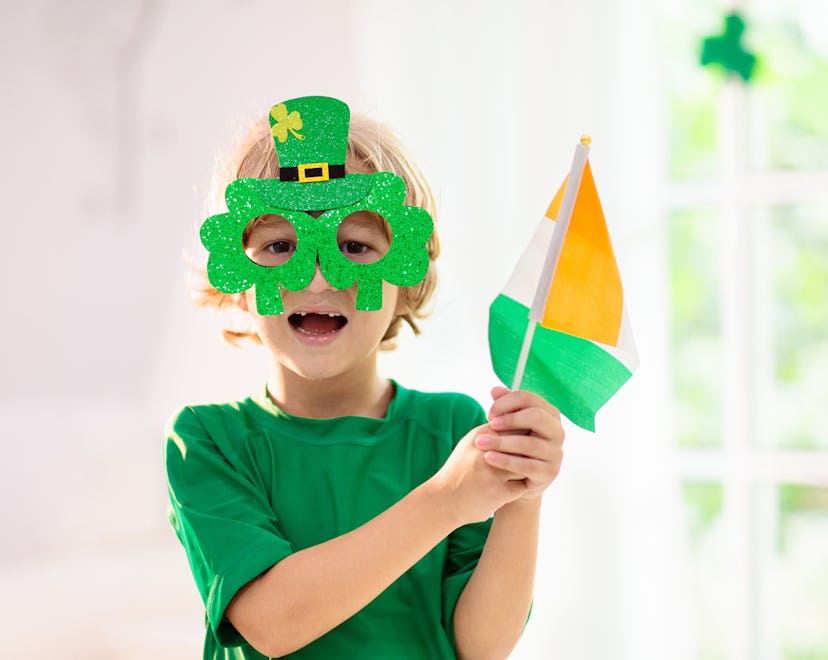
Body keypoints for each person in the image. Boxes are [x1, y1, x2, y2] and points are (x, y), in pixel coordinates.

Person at [165, 95, 565, 660]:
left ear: (406, 279)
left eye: (354, 246)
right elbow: (272, 621)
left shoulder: (453, 429)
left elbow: (482, 645)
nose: (322, 275)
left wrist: (523, 495)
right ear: (236, 275)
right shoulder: (209, 442)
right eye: (280, 246)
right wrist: (449, 499)